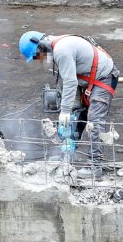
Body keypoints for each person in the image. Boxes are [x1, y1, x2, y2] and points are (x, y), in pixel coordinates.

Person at [19, 31, 119, 179]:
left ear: (42, 46)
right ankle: (67, 154)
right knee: (76, 114)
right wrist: (70, 111)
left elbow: (71, 82)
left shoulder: (61, 51)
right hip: (87, 79)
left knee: (94, 121)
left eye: (37, 56)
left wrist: (64, 111)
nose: (39, 60)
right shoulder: (57, 48)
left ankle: (95, 166)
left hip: (104, 77)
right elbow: (68, 82)